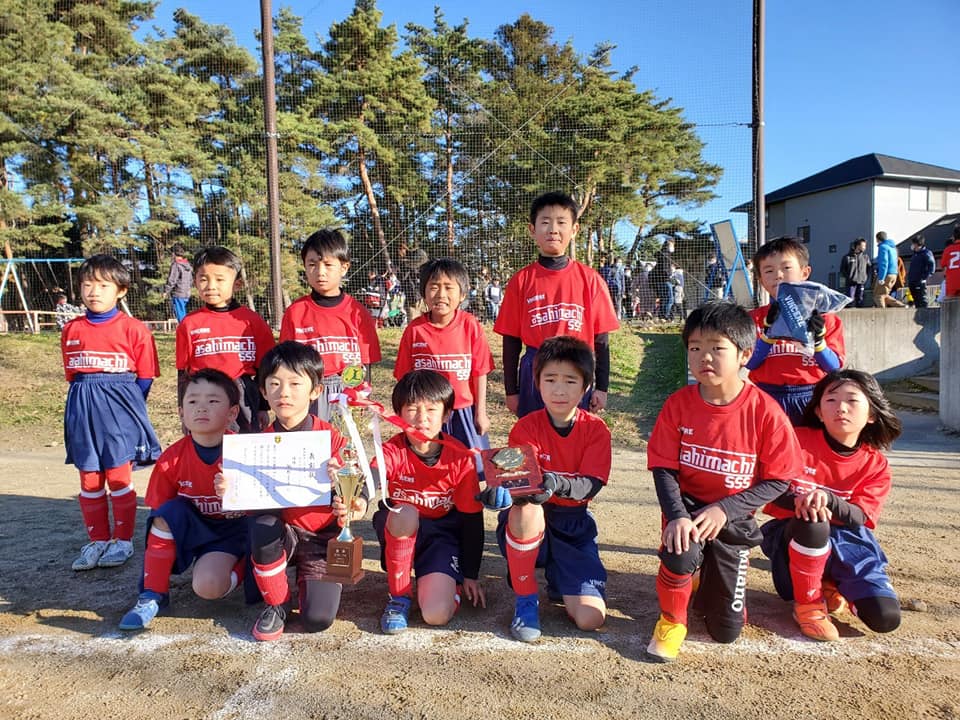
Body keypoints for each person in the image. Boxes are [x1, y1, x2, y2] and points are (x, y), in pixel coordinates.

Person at [645, 302, 803, 662]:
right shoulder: (678, 404)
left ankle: (704, 579)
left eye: (717, 348)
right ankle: (672, 619)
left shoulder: (765, 411)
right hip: (688, 509)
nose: (704, 357)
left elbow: (778, 480)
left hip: (734, 516)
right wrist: (677, 516)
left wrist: (724, 509)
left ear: (744, 354)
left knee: (725, 631)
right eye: (695, 348)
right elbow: (663, 468)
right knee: (681, 550)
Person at [230, 341, 361, 642]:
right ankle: (276, 603)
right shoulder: (255, 445)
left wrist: (345, 492)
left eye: (294, 383)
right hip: (283, 534)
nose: (284, 393)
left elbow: (356, 494)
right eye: (274, 384)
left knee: (317, 619)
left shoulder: (333, 437)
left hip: (321, 537)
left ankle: (302, 576)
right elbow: (250, 507)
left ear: (316, 391)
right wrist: (233, 488)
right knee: (262, 525)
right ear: (263, 392)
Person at [760, 369, 904, 642]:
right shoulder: (795, 439)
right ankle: (809, 605)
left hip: (849, 541)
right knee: (813, 519)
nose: (841, 408)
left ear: (872, 414)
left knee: (885, 618)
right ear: (818, 412)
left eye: (852, 400)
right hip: (795, 537)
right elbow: (768, 488)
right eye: (831, 400)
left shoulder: (875, 464)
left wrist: (827, 499)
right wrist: (801, 501)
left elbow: (860, 516)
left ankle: (833, 585)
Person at [494, 336, 611, 642]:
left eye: (570, 381)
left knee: (590, 618)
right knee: (526, 509)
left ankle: (560, 576)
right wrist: (501, 492)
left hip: (574, 525)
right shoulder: (524, 427)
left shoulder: (595, 430)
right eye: (550, 380)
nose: (559, 390)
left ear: (586, 386)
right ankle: (525, 599)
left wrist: (557, 483)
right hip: (535, 519)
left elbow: (590, 485)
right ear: (537, 383)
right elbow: (519, 482)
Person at [119, 369, 249, 630]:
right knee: (167, 514)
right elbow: (159, 516)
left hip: (238, 532)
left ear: (232, 413)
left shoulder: (247, 452)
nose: (201, 408)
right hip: (199, 531)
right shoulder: (171, 459)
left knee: (209, 587)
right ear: (181, 413)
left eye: (213, 401)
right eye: (192, 401)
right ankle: (152, 595)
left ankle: (249, 564)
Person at [372, 370, 494, 634]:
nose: (421, 418)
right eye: (412, 409)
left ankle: (448, 584)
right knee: (404, 512)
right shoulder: (392, 450)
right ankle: (399, 597)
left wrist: (470, 573)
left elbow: (472, 519)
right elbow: (373, 473)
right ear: (398, 414)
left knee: (436, 615)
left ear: (447, 414)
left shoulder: (460, 457)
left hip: (441, 537)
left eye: (431, 409)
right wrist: (358, 496)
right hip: (402, 530)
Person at [61, 254, 162, 571]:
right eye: (87, 284)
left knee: (118, 476)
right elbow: (73, 378)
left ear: (121, 290)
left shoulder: (134, 329)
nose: (94, 291)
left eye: (103, 285)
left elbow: (145, 376)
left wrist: (127, 409)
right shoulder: (71, 329)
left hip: (119, 412)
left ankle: (123, 541)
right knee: (89, 478)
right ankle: (98, 540)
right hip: (82, 409)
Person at [493, 191, 619, 418]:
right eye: (545, 222)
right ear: (532, 230)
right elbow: (511, 341)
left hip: (577, 368)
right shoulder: (521, 281)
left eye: (561, 222)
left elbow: (602, 339)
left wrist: (602, 387)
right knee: (533, 436)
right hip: (535, 370)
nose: (553, 229)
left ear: (574, 229)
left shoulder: (591, 280)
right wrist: (511, 391)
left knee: (573, 435)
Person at [280, 229, 382, 421]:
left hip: (347, 390)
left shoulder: (358, 312)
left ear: (344, 267)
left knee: (345, 438)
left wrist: (363, 395)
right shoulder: (295, 312)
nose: (320, 272)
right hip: (309, 390)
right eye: (312, 264)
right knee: (313, 438)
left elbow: (366, 361)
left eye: (328, 264)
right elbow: (286, 361)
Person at [394, 258, 493, 453]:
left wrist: (480, 413)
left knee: (472, 463)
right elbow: (404, 378)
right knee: (429, 461)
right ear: (423, 293)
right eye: (434, 287)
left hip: (463, 411)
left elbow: (480, 372)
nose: (441, 294)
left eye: (448, 287)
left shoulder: (470, 325)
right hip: (428, 414)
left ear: (462, 294)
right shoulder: (415, 330)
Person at [746, 236, 845, 425]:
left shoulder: (825, 319)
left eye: (786, 268)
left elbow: (834, 368)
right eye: (769, 270)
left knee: (811, 444)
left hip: (812, 397)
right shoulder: (754, 319)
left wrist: (818, 343)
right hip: (766, 397)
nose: (779, 275)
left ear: (805, 272)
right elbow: (749, 362)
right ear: (760, 280)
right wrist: (767, 336)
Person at [175, 246, 275, 434]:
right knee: (205, 442)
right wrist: (184, 409)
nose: (210, 286)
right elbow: (183, 372)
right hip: (203, 393)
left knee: (244, 444)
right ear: (195, 281)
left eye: (219, 279)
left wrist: (263, 407)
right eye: (203, 279)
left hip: (243, 395)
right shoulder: (189, 323)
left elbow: (265, 369)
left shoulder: (252, 321)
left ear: (237, 284)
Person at [872, 231, 905, 308]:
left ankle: (882, 313)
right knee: (885, 295)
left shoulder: (883, 247)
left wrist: (881, 278)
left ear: (877, 239)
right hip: (894, 274)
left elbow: (884, 263)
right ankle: (902, 306)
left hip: (886, 274)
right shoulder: (893, 248)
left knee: (878, 295)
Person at [163, 243, 193, 323]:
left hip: (178, 293)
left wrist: (166, 291)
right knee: (183, 312)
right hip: (187, 293)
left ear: (173, 254)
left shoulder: (176, 265)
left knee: (180, 314)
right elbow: (191, 280)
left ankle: (184, 327)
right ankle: (185, 326)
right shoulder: (188, 265)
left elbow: (172, 279)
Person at [839, 238, 871, 308]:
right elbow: (842, 270)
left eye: (865, 246)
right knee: (850, 300)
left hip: (861, 282)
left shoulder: (865, 257)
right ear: (858, 246)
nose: (864, 247)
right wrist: (849, 277)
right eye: (863, 246)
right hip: (851, 283)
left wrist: (865, 277)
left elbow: (869, 268)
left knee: (860, 299)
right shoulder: (847, 257)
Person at [906, 235, 936, 309]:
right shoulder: (915, 254)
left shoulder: (926, 253)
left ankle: (925, 313)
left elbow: (932, 266)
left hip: (920, 281)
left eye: (913, 243)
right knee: (916, 300)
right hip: (912, 281)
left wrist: (925, 277)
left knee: (922, 300)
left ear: (916, 244)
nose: (912, 245)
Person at [649, 239, 675, 320]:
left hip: (659, 280)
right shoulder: (665, 255)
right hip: (665, 280)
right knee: (670, 299)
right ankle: (665, 316)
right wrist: (669, 275)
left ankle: (661, 316)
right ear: (669, 246)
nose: (673, 247)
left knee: (663, 299)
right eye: (672, 245)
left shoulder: (662, 255)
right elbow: (664, 268)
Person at [943, 224, 960, 298]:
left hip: (951, 283)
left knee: (952, 303)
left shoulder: (947, 249)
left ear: (953, 237)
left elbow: (944, 268)